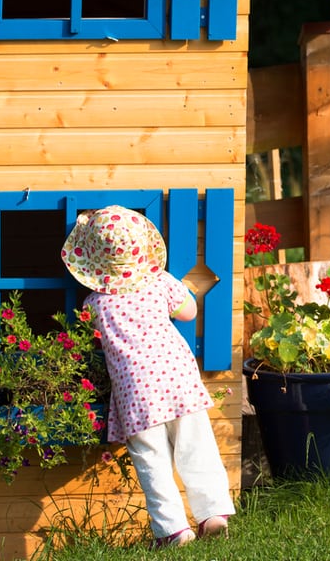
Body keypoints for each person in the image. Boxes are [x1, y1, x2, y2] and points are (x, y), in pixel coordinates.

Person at [61, 205, 235, 548]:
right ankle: (212, 513)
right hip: (178, 378)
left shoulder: (94, 304)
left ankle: (173, 531)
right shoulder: (161, 282)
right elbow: (188, 313)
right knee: (196, 446)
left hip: (135, 391)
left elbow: (84, 336)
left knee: (152, 461)